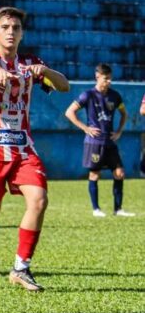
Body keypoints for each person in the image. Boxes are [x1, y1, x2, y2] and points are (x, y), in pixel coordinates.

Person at [0, 7, 70, 294]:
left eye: (15, 28)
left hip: (23, 148)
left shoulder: (30, 63)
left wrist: (45, 71)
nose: (10, 32)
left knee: (38, 200)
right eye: (5, 27)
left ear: (22, 33)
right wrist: (0, 72)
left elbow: (63, 86)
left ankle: (20, 268)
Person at [65, 64, 134, 217]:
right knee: (95, 174)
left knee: (119, 173)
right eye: (105, 78)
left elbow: (124, 114)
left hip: (110, 142)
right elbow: (69, 112)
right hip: (94, 142)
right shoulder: (87, 95)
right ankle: (96, 209)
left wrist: (119, 131)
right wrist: (85, 128)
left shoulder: (115, 96)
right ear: (97, 77)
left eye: (110, 78)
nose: (108, 81)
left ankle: (118, 209)